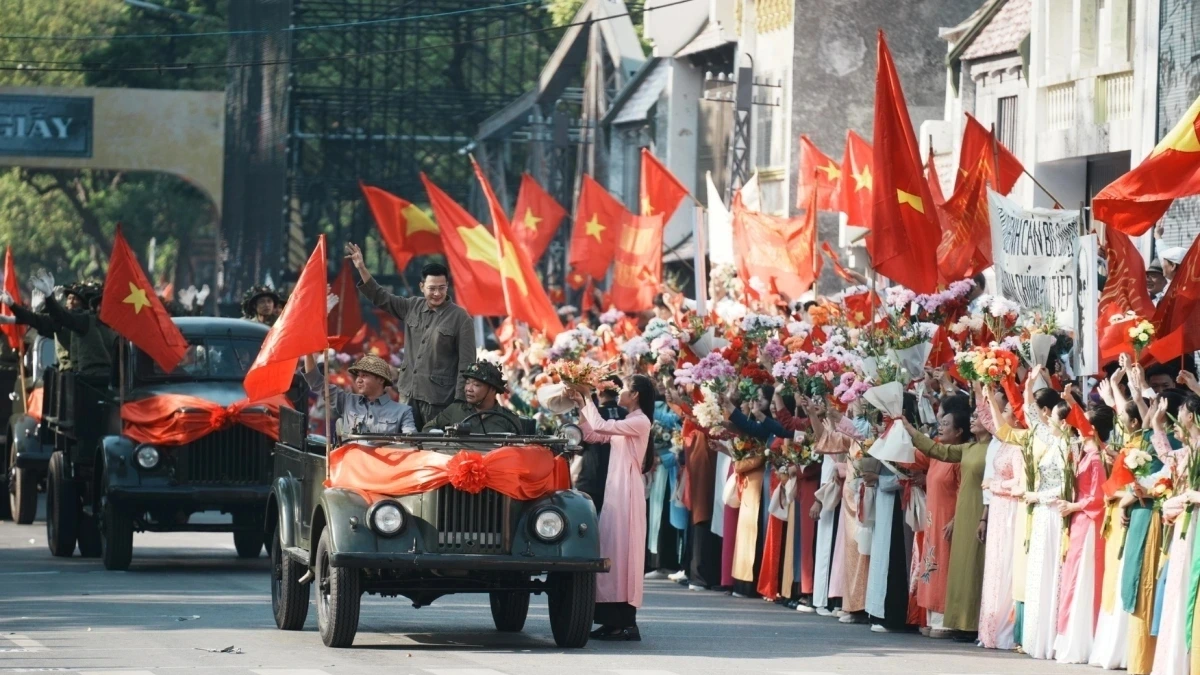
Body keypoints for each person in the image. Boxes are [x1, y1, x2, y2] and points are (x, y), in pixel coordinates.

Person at [565, 374, 656, 641]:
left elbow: (600, 423)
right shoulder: (629, 421)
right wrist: (581, 404)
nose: (620, 394)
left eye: (625, 389)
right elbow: (592, 434)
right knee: (612, 550)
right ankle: (611, 620)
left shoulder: (639, 421)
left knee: (623, 553)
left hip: (627, 492)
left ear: (636, 394)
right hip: (617, 490)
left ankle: (625, 622)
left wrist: (586, 396)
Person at [346, 243, 475, 428]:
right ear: (422, 287)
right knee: (407, 447)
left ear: (448, 286)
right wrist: (361, 268)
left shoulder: (460, 318)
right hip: (408, 396)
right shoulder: (412, 306)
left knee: (435, 450)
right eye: (432, 288)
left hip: (439, 401)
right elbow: (381, 297)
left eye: (442, 287)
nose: (437, 293)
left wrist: (460, 403)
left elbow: (467, 364)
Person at [904, 403, 991, 641]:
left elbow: (973, 486)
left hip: (966, 514)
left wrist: (964, 517)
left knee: (959, 567)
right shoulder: (969, 448)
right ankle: (945, 619)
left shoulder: (994, 449)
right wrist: (909, 430)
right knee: (942, 567)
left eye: (980, 416)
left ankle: (960, 621)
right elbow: (936, 450)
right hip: (945, 516)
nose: (975, 419)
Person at [304, 353, 415, 436]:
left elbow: (409, 442)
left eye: (364, 375)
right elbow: (316, 381)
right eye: (358, 376)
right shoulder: (346, 401)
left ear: (381, 380)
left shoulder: (403, 412)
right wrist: (308, 353)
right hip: (351, 465)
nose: (358, 380)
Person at [422, 361, 523, 434]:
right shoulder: (455, 410)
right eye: (467, 383)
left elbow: (519, 452)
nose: (469, 389)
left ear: (492, 389)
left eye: (476, 385)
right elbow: (427, 428)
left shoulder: (509, 419)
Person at [575, 375, 627, 514]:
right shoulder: (627, 415)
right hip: (618, 480)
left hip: (591, 478)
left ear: (600, 391)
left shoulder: (593, 414)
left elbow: (580, 444)